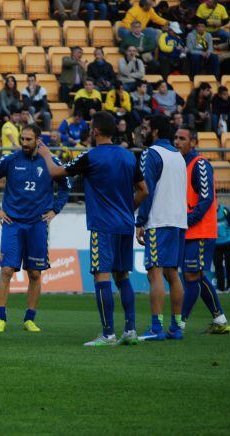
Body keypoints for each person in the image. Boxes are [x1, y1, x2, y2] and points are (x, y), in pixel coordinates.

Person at [40, 112, 147, 346]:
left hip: (103, 226)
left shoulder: (91, 157)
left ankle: (108, 334)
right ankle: (130, 330)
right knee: (123, 275)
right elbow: (143, 190)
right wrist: (129, 210)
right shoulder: (128, 156)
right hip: (124, 225)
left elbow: (56, 173)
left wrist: (47, 155)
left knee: (101, 275)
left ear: (96, 131)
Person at [0, 124, 69, 333]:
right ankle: (0, 318)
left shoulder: (50, 162)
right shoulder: (10, 160)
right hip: (13, 224)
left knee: (35, 274)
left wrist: (55, 210)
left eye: (28, 139)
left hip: (38, 224)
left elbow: (66, 185)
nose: (24, 143)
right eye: (22, 139)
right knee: (6, 270)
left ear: (38, 140)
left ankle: (30, 319)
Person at [174, 126, 230, 334]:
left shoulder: (200, 165)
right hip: (188, 231)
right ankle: (220, 319)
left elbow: (206, 199)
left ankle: (179, 323)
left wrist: (189, 220)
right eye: (176, 138)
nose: (177, 142)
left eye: (182, 138)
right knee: (195, 277)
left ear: (193, 143)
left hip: (200, 231)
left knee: (190, 277)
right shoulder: (181, 164)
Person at [135, 115, 187, 341]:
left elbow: (146, 189)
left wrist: (140, 221)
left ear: (155, 131)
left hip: (158, 220)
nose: (144, 131)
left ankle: (156, 327)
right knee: (173, 273)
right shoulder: (178, 155)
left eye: (146, 128)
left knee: (154, 273)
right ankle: (176, 327)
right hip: (178, 221)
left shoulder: (151, 153)